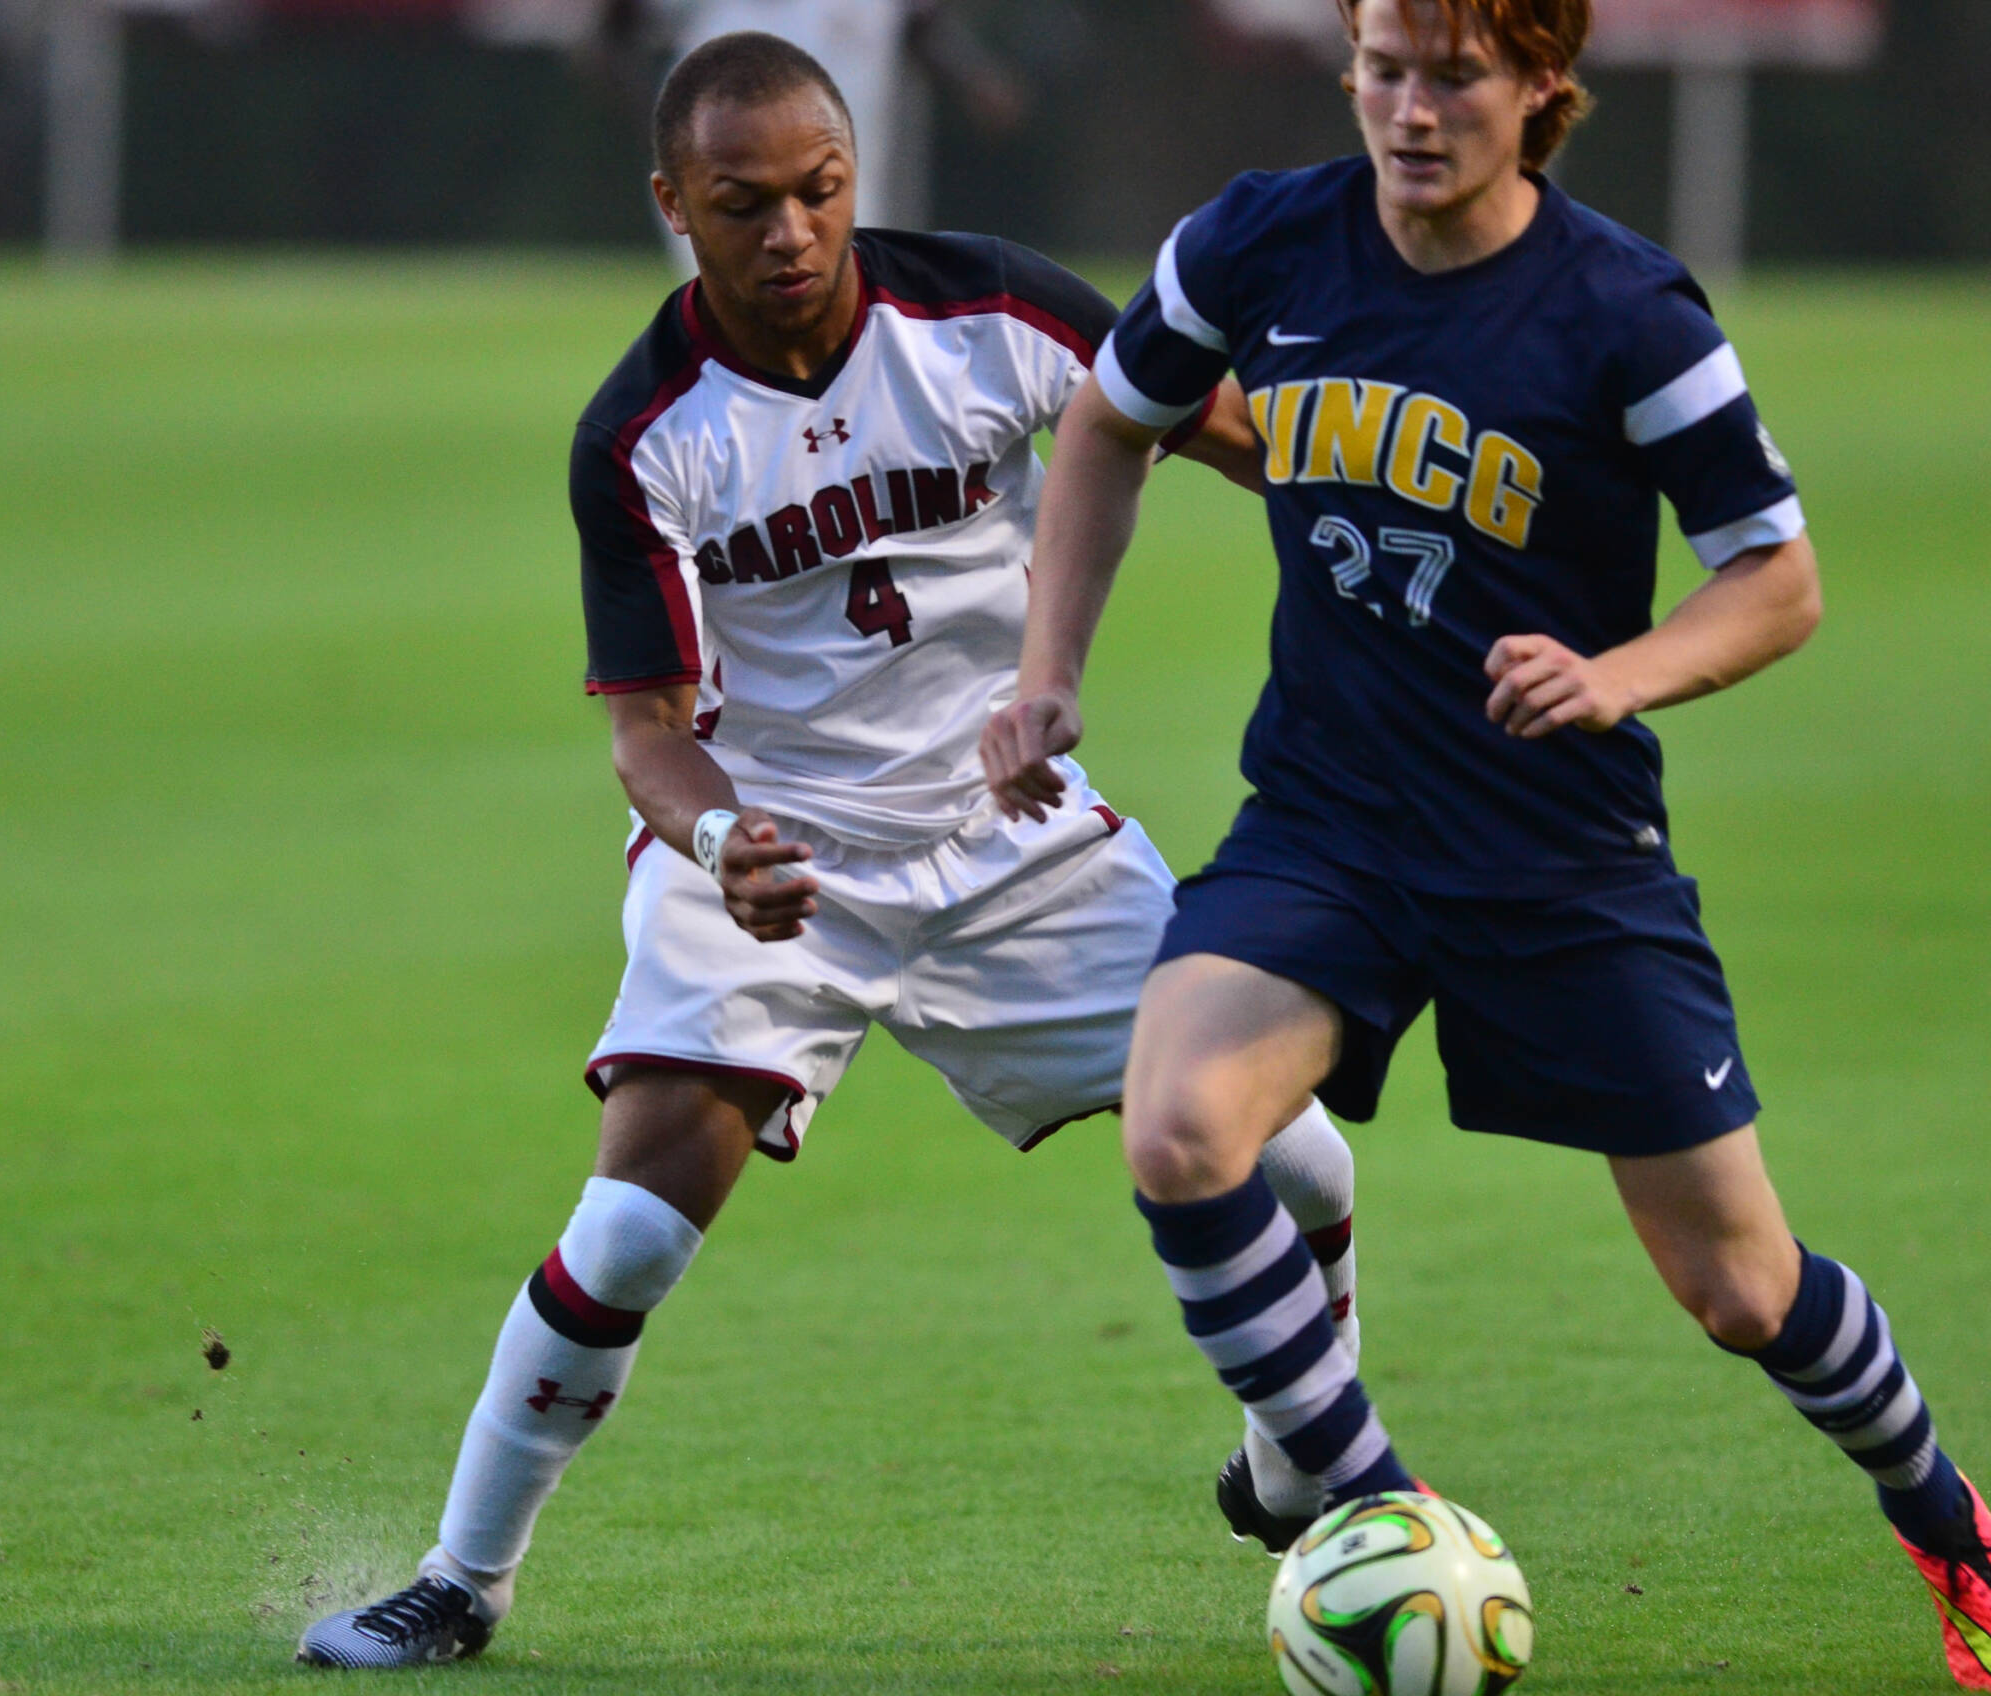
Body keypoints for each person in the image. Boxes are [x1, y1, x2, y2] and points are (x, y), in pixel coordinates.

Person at [980, 0, 1991, 1689]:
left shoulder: (1626, 311)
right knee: (1180, 1127)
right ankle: (1370, 1506)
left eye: (1454, 79)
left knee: (1739, 1287)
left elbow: (1778, 579)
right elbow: (1112, 419)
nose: (1411, 112)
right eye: (1385, 70)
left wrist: (1613, 674)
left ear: (1540, 94)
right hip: (1328, 822)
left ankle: (1942, 1517)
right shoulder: (1258, 240)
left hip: (1559, 860)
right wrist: (1048, 674)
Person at [296, 31, 1359, 1669]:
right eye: (742, 203)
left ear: (855, 174)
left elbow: (1235, 432)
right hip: (774, 862)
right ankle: (462, 1578)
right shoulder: (644, 432)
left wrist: (1425, 520)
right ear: (674, 204)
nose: (789, 231)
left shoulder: (996, 307)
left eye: (819, 191)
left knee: (1295, 1155)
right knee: (635, 1222)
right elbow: (648, 730)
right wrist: (720, 838)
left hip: (1014, 842)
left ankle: (1302, 1463)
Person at [593, 0, 1026, 265]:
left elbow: (921, 26)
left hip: (846, 195)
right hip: (729, 196)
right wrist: (660, 126)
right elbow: (607, 35)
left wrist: (977, 81)